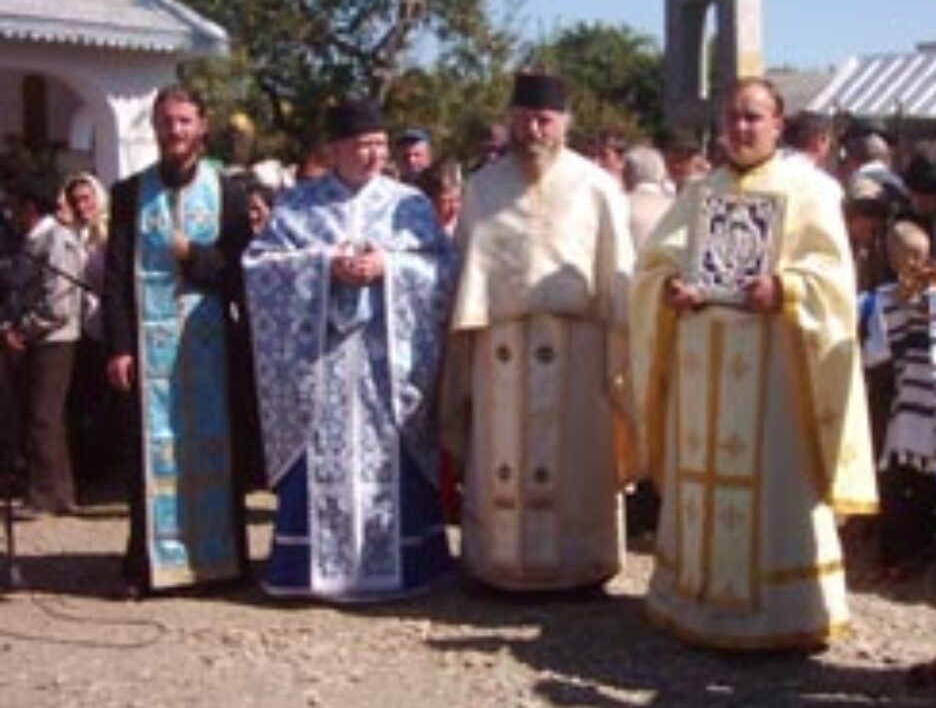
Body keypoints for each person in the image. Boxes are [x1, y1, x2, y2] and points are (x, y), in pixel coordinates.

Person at [630, 77, 878, 651]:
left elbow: (834, 280)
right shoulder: (699, 190)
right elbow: (656, 264)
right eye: (733, 118)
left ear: (778, 122)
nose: (741, 128)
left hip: (774, 376)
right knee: (705, 482)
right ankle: (694, 597)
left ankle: (781, 611)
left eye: (753, 117)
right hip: (703, 372)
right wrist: (671, 289)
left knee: (772, 489)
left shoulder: (810, 189)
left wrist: (786, 289)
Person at [244, 97, 455, 602]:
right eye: (362, 145)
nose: (374, 155)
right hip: (324, 362)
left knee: (393, 455)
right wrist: (323, 266)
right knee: (322, 454)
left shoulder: (409, 204)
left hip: (387, 362)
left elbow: (445, 268)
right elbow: (258, 267)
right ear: (335, 149)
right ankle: (309, 569)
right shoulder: (298, 203)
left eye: (380, 145)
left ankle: (409, 565)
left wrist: (391, 268)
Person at [442, 71, 637, 593]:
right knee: (500, 453)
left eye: (544, 119)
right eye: (524, 118)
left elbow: (619, 271)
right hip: (499, 348)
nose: (534, 129)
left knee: (576, 460)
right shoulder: (483, 188)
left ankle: (581, 564)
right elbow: (464, 272)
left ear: (565, 123)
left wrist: (623, 350)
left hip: (578, 349)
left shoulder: (597, 186)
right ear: (510, 120)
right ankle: (499, 561)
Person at [103, 84, 253, 598]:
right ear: (156, 126)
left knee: (216, 450)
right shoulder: (128, 192)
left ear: (202, 126)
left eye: (185, 121)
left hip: (211, 348)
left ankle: (222, 562)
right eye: (167, 121)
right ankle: (145, 564)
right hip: (148, 350)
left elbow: (241, 271)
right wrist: (119, 346)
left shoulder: (229, 191)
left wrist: (196, 256)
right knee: (150, 454)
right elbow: (116, 276)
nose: (176, 131)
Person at [861, 220, 936, 582]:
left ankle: (895, 555)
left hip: (897, 399)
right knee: (931, 474)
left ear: (892, 254)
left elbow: (875, 356)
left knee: (895, 478)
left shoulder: (883, 299)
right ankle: (926, 546)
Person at [0, 174, 83, 516]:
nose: (10, 214)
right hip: (36, 339)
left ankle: (45, 494)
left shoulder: (56, 241)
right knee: (43, 416)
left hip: (53, 340)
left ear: (30, 207)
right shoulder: (32, 240)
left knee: (43, 416)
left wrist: (23, 331)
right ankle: (58, 492)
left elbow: (58, 304)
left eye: (15, 206)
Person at [62, 173, 113, 491]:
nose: (82, 206)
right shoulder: (70, 235)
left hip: (102, 326)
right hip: (77, 327)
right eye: (75, 200)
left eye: (86, 198)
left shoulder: (106, 235)